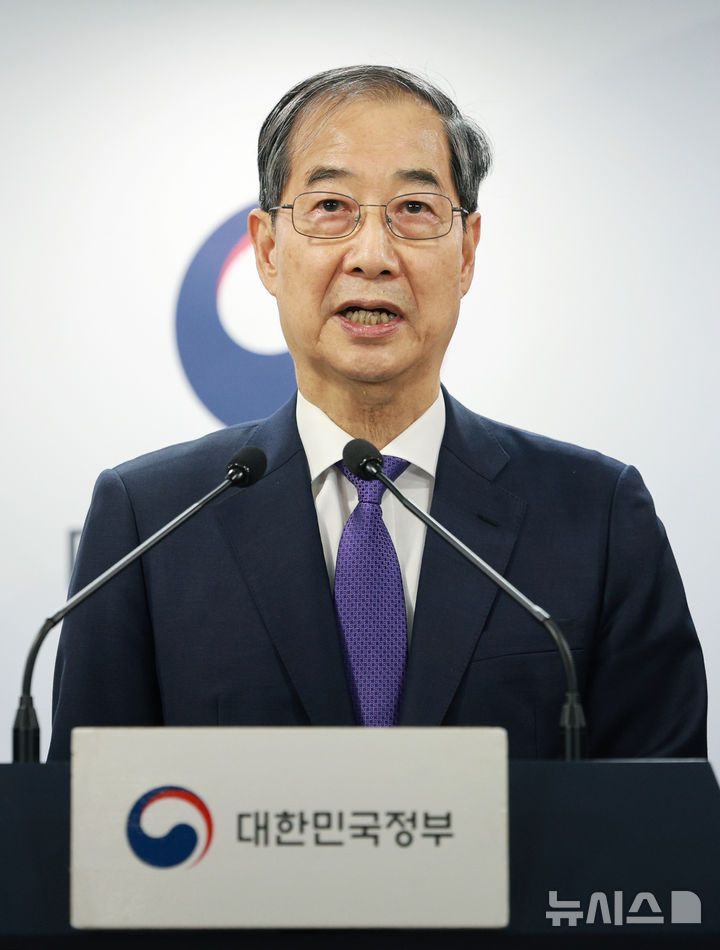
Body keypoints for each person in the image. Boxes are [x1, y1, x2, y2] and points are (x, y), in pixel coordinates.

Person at [49, 65, 707, 760]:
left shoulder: (597, 516)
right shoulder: (151, 520)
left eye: (414, 209)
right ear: (268, 250)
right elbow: (85, 810)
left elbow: (661, 810)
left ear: (467, 252)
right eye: (331, 206)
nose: (372, 256)